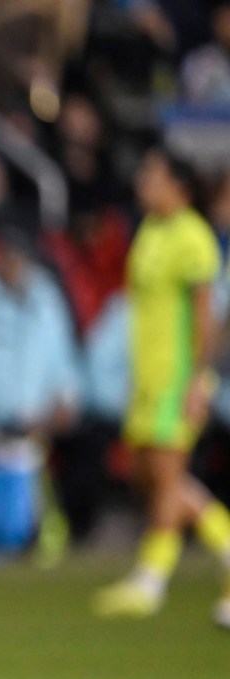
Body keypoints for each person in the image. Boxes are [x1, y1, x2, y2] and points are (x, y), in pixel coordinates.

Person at [93, 148, 230, 629]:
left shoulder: (193, 238)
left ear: (179, 186)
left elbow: (206, 317)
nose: (143, 184)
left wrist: (200, 379)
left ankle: (149, 582)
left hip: (176, 378)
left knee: (168, 481)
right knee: (148, 477)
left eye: (153, 176)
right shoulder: (149, 231)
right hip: (147, 378)